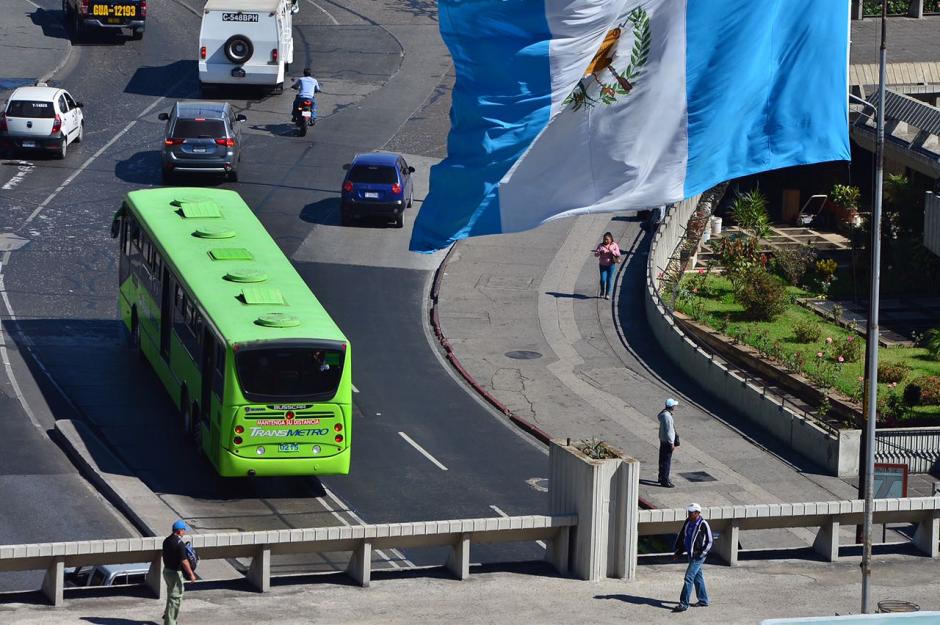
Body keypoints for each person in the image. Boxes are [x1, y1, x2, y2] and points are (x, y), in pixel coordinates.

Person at [672, 503, 712, 612]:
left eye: (691, 512)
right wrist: (678, 552)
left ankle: (684, 604)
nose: (689, 513)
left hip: (697, 557)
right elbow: (684, 538)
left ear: (698, 513)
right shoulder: (688, 522)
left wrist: (700, 554)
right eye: (689, 512)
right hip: (690, 555)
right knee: (698, 578)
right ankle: (704, 600)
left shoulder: (703, 524)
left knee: (688, 578)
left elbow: (709, 542)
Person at [162, 519, 197, 625]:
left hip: (166, 571)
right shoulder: (180, 544)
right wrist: (191, 574)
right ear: (179, 531)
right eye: (183, 530)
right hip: (175, 573)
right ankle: (170, 622)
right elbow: (184, 561)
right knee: (175, 599)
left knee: (171, 595)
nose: (184, 532)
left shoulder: (166, 540)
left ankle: (167, 614)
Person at [592, 232, 621, 299]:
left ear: (611, 239)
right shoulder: (600, 245)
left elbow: (618, 254)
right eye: (604, 239)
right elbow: (596, 255)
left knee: (609, 279)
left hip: (611, 265)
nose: (605, 241)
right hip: (602, 265)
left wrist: (612, 251)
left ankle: (607, 293)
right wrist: (599, 252)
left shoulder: (614, 245)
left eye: (607, 239)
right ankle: (602, 291)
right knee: (603, 279)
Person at [658, 398, 678, 487]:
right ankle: (665, 480)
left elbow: (658, 416)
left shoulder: (663, 414)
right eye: (674, 405)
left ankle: (661, 477)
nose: (675, 407)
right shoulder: (668, 417)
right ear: (672, 406)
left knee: (662, 460)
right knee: (666, 462)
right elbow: (669, 431)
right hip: (667, 442)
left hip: (663, 440)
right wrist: (671, 443)